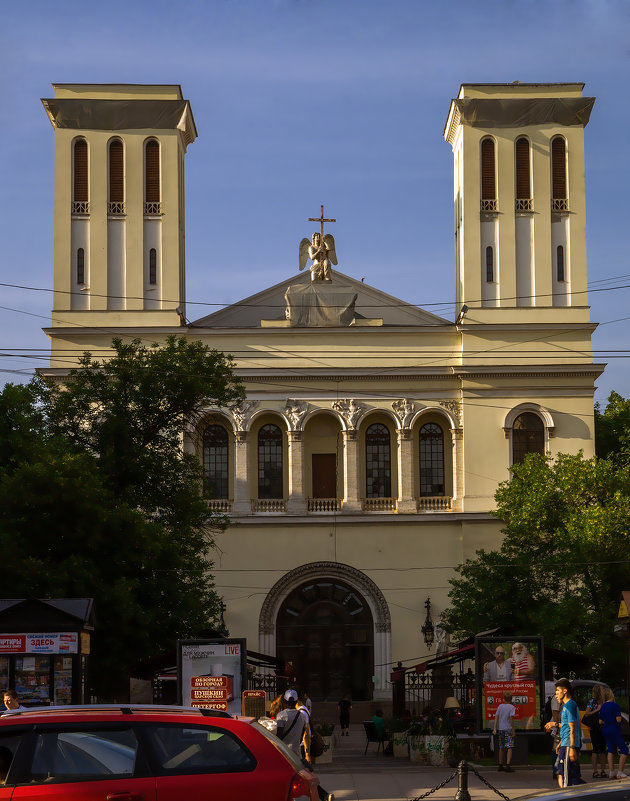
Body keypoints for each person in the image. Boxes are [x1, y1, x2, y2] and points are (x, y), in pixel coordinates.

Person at [554, 678, 584, 787]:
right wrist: (561, 742)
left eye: (558, 690)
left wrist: (571, 748)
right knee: (574, 777)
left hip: (568, 746)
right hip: (566, 744)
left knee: (565, 776)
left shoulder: (569, 705)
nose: (556, 694)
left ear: (565, 691)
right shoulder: (568, 706)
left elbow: (573, 728)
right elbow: (567, 727)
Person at [599, 686, 628, 779]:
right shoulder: (615, 705)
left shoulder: (603, 706)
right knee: (624, 750)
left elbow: (600, 721)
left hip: (606, 730)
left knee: (610, 750)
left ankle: (612, 772)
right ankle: (620, 772)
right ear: (611, 695)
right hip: (614, 729)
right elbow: (618, 719)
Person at [586, 684, 607, 778]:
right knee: (597, 749)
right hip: (596, 727)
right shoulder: (594, 702)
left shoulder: (603, 701)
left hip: (600, 727)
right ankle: (597, 771)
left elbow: (587, 714)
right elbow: (587, 714)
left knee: (601, 749)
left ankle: (600, 771)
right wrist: (597, 710)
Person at [276, 690, 306, 756]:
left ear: (285, 701)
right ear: (296, 700)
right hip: (297, 754)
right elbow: (301, 738)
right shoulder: (303, 716)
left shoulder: (281, 715)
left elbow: (279, 736)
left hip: (284, 753)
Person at [493, 690, 516, 772]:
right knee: (509, 747)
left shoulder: (500, 706)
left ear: (504, 698)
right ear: (511, 698)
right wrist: (513, 730)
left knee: (501, 747)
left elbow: (496, 717)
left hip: (501, 729)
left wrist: (495, 728)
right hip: (508, 729)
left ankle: (500, 764)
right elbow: (511, 719)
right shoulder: (511, 707)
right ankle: (508, 765)